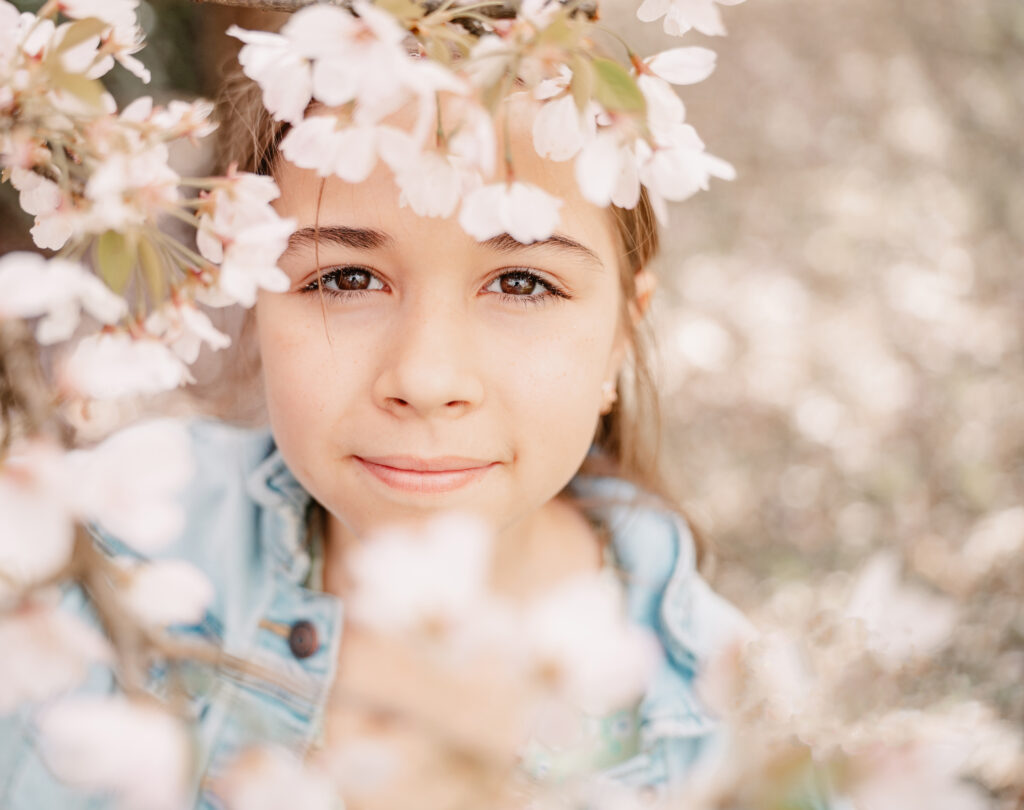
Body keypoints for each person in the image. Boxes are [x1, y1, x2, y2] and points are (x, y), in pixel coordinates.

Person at [0, 60, 750, 810]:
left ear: (623, 330)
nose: (425, 379)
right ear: (252, 295)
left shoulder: (713, 718)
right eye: (346, 279)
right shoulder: (108, 546)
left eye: (522, 282)